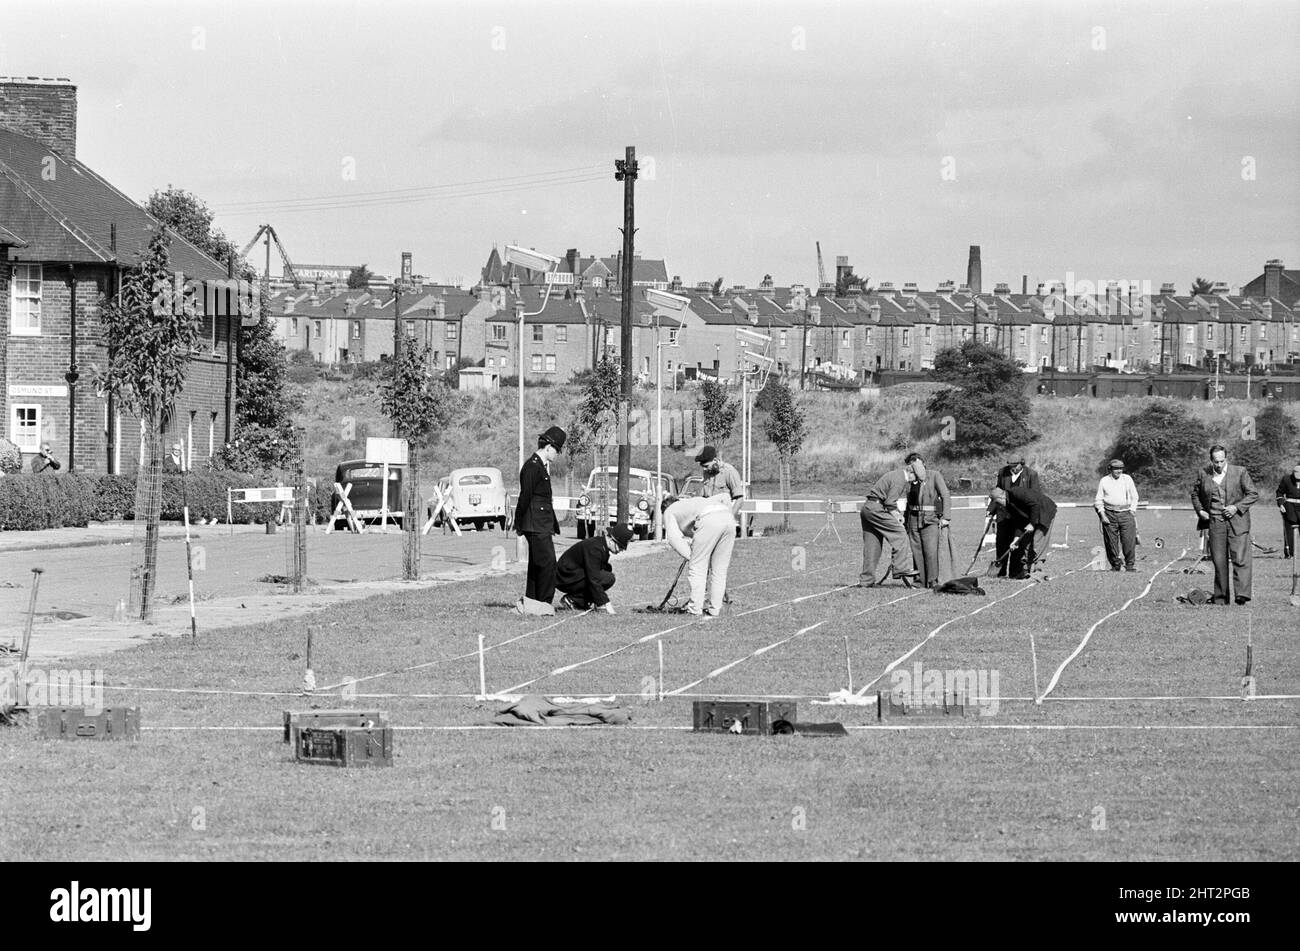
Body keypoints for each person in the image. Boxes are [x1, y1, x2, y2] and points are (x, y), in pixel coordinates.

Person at [1191, 445, 1259, 605]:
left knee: (1240, 559)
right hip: (1215, 523)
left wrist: (1236, 507)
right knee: (1219, 560)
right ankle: (1221, 598)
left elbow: (1253, 494)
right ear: (1211, 460)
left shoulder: (1240, 472)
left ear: (1226, 459)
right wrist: (1200, 510)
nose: (1219, 465)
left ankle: (1242, 595)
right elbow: (1194, 494)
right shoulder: (1203, 473)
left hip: (1238, 523)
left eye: (1222, 461)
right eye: (1216, 462)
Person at [513, 425, 566, 613]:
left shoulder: (539, 467)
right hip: (534, 524)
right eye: (557, 450)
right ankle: (543, 603)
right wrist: (518, 523)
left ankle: (533, 601)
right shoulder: (532, 467)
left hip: (541, 523)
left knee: (537, 563)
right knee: (548, 563)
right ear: (549, 447)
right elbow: (525, 496)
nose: (557, 454)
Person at [663, 493, 736, 617]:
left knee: (697, 568)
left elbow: (673, 538)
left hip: (708, 519)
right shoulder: (692, 503)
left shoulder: (668, 511)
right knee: (719, 570)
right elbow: (725, 497)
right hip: (729, 519)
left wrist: (690, 556)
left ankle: (694, 609)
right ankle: (715, 609)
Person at [859, 460, 921, 587]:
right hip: (876, 508)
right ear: (911, 472)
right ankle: (900, 568)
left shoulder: (895, 474)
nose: (915, 481)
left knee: (872, 547)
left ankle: (866, 581)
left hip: (867, 508)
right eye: (916, 478)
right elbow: (890, 503)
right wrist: (898, 516)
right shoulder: (900, 479)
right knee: (900, 533)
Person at [902, 452, 951, 588]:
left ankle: (932, 581)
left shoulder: (934, 475)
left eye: (916, 463)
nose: (913, 467)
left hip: (930, 519)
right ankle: (919, 581)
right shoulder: (910, 479)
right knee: (916, 551)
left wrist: (946, 517)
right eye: (911, 464)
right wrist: (906, 521)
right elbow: (908, 502)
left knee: (930, 552)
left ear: (923, 463)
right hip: (913, 519)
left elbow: (945, 495)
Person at [557, 525, 632, 614]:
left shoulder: (601, 545)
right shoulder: (595, 548)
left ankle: (579, 601)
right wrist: (605, 604)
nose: (622, 550)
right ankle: (572, 600)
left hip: (574, 575)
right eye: (620, 546)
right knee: (607, 578)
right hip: (566, 578)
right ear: (611, 541)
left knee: (607, 572)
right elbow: (593, 579)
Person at [988, 484, 1057, 579]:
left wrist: (1032, 524)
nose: (998, 505)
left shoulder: (1016, 492)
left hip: (1045, 510)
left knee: (1038, 541)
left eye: (997, 502)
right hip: (1032, 515)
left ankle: (1038, 570)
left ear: (1001, 497)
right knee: (1025, 541)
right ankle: (1026, 570)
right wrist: (1016, 539)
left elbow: (1034, 504)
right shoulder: (1008, 506)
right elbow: (1019, 521)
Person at [989, 455, 1040, 578]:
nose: (1012, 469)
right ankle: (1000, 571)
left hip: (1021, 515)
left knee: (1017, 543)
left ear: (1021, 463)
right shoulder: (1003, 472)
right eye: (1010, 466)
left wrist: (1032, 520)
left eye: (1014, 466)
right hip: (1004, 513)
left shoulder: (1031, 474)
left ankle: (1015, 572)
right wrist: (991, 509)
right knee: (1001, 542)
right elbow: (998, 491)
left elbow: (1034, 496)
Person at [1095, 458, 1140, 571]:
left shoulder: (1127, 479)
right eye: (1116, 469)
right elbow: (1098, 500)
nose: (1119, 471)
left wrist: (1132, 510)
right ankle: (1115, 565)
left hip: (1126, 513)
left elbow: (1135, 496)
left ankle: (1130, 565)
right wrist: (1103, 515)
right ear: (1110, 469)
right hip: (1109, 514)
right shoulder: (1104, 481)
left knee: (1129, 541)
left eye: (1120, 468)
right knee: (1111, 543)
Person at [696, 445, 745, 518]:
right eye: (703, 467)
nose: (704, 469)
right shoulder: (706, 472)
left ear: (715, 460)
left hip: (723, 517)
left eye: (706, 466)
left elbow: (740, 499)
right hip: (708, 516)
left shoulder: (729, 471)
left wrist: (730, 518)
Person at [1276, 462, 1300, 559]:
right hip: (1289, 508)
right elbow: (1279, 493)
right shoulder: (1286, 479)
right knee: (1289, 531)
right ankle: (1289, 553)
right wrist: (1281, 504)